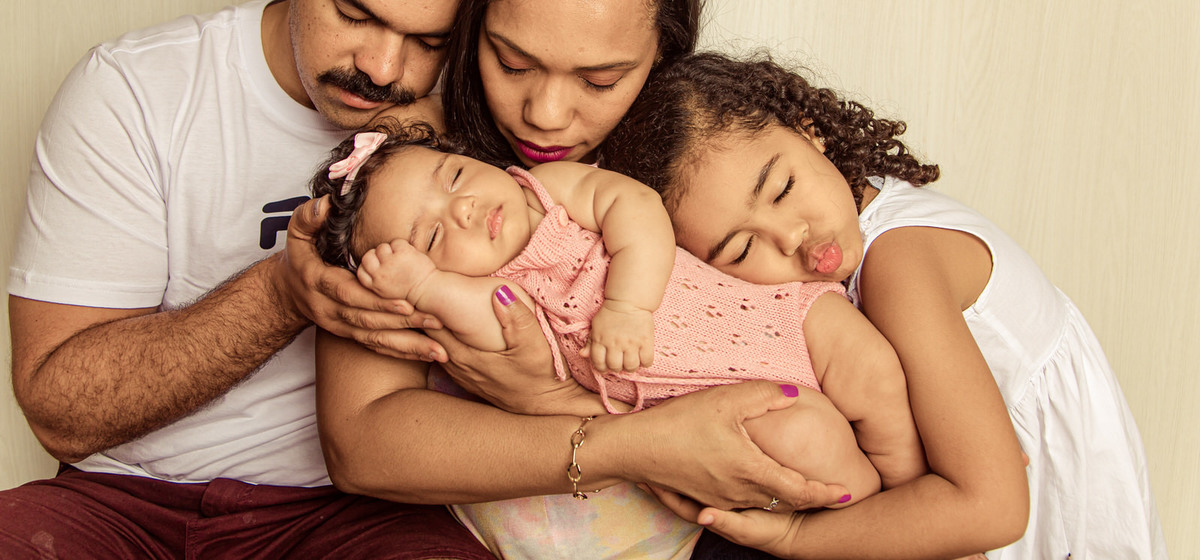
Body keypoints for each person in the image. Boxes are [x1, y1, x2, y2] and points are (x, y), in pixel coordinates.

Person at [3, 0, 518, 559]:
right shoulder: (134, 90)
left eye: (427, 38)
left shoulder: (482, 117)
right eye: (353, 11)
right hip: (119, 500)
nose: (382, 68)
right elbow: (57, 409)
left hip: (349, 515)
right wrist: (282, 294)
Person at [313, 0, 852, 560]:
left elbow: (811, 314)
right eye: (511, 60)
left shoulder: (693, 162)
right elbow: (365, 447)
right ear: (475, 22)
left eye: (599, 79)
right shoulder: (417, 167)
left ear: (665, 50)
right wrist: (629, 440)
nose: (544, 113)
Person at [600, 51, 1168, 559]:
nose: (790, 236)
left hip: (1041, 517)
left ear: (808, 131)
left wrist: (797, 539)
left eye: (782, 189)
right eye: (743, 248)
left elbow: (993, 508)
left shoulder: (899, 263)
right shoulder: (840, 245)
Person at [311, 124, 924, 492]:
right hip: (713, 405)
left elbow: (636, 208)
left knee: (870, 366)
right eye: (432, 237)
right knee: (806, 445)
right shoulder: (490, 293)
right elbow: (481, 319)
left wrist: (629, 304)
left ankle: (910, 481)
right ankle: (875, 509)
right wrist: (421, 286)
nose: (465, 208)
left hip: (770, 315)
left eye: (454, 178)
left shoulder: (548, 188)